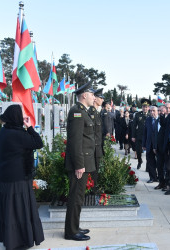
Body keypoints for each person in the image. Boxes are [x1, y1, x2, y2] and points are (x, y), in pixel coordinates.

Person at [0, 104, 44, 249]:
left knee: (10, 208)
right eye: (22, 114)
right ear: (16, 117)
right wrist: (29, 127)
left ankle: (10, 239)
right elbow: (38, 143)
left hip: (5, 175)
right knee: (18, 208)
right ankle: (19, 240)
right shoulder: (18, 134)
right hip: (17, 176)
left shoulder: (5, 131)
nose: (24, 116)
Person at [64, 83, 96, 241]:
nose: (94, 97)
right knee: (75, 197)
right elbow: (75, 141)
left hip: (83, 161)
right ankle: (71, 231)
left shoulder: (82, 111)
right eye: (92, 95)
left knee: (79, 197)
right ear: (84, 95)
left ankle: (74, 226)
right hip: (79, 163)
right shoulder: (77, 112)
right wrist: (79, 165)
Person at [89, 88, 104, 191]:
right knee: (92, 171)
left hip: (98, 147)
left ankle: (94, 188)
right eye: (101, 98)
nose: (102, 100)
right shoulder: (91, 112)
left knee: (96, 171)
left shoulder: (97, 113)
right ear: (95, 99)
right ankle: (92, 190)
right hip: (93, 148)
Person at [153, 105, 168, 190]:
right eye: (158, 111)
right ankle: (161, 183)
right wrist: (155, 146)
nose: (160, 112)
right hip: (158, 147)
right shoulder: (156, 120)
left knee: (167, 168)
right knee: (159, 166)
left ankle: (167, 184)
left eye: (161, 111)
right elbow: (155, 135)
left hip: (166, 148)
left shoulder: (168, 120)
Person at [132, 98, 150, 169]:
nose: (145, 108)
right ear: (142, 107)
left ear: (148, 107)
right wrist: (133, 136)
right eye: (143, 107)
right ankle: (140, 161)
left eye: (146, 107)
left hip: (148, 137)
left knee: (148, 153)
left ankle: (148, 166)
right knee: (138, 151)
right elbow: (134, 126)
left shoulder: (150, 114)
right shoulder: (137, 115)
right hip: (139, 135)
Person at [142, 106, 158, 183]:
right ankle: (152, 177)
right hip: (149, 144)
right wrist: (144, 144)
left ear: (157, 111)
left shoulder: (161, 119)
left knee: (160, 163)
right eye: (151, 111)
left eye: (154, 111)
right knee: (150, 162)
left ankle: (160, 178)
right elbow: (145, 132)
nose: (152, 112)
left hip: (158, 145)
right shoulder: (148, 120)